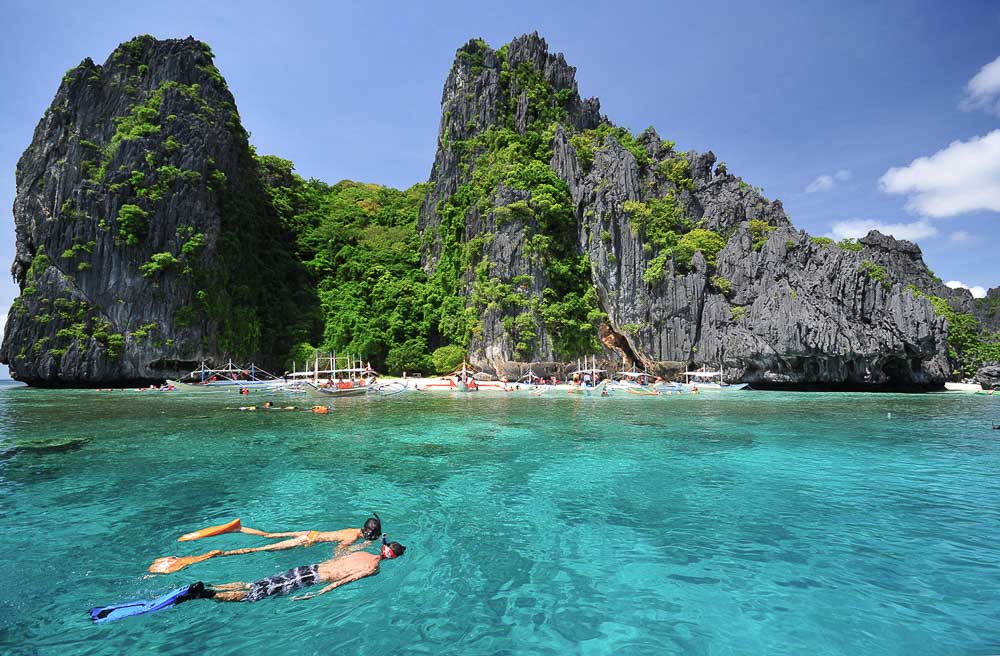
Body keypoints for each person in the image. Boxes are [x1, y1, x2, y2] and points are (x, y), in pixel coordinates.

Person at [148, 514, 383, 574]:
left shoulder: (354, 529)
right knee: (257, 550)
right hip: (306, 539)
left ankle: (238, 528)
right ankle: (209, 555)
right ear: (369, 534)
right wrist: (357, 550)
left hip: (310, 532)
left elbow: (333, 537)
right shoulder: (354, 538)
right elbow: (339, 550)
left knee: (269, 536)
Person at [194, 537, 406, 603]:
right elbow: (343, 581)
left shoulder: (362, 553)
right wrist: (317, 593)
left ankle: (212, 586)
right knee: (252, 595)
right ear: (393, 558)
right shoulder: (373, 566)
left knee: (258, 583)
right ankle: (207, 594)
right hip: (309, 580)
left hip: (307, 568)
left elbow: (338, 554)